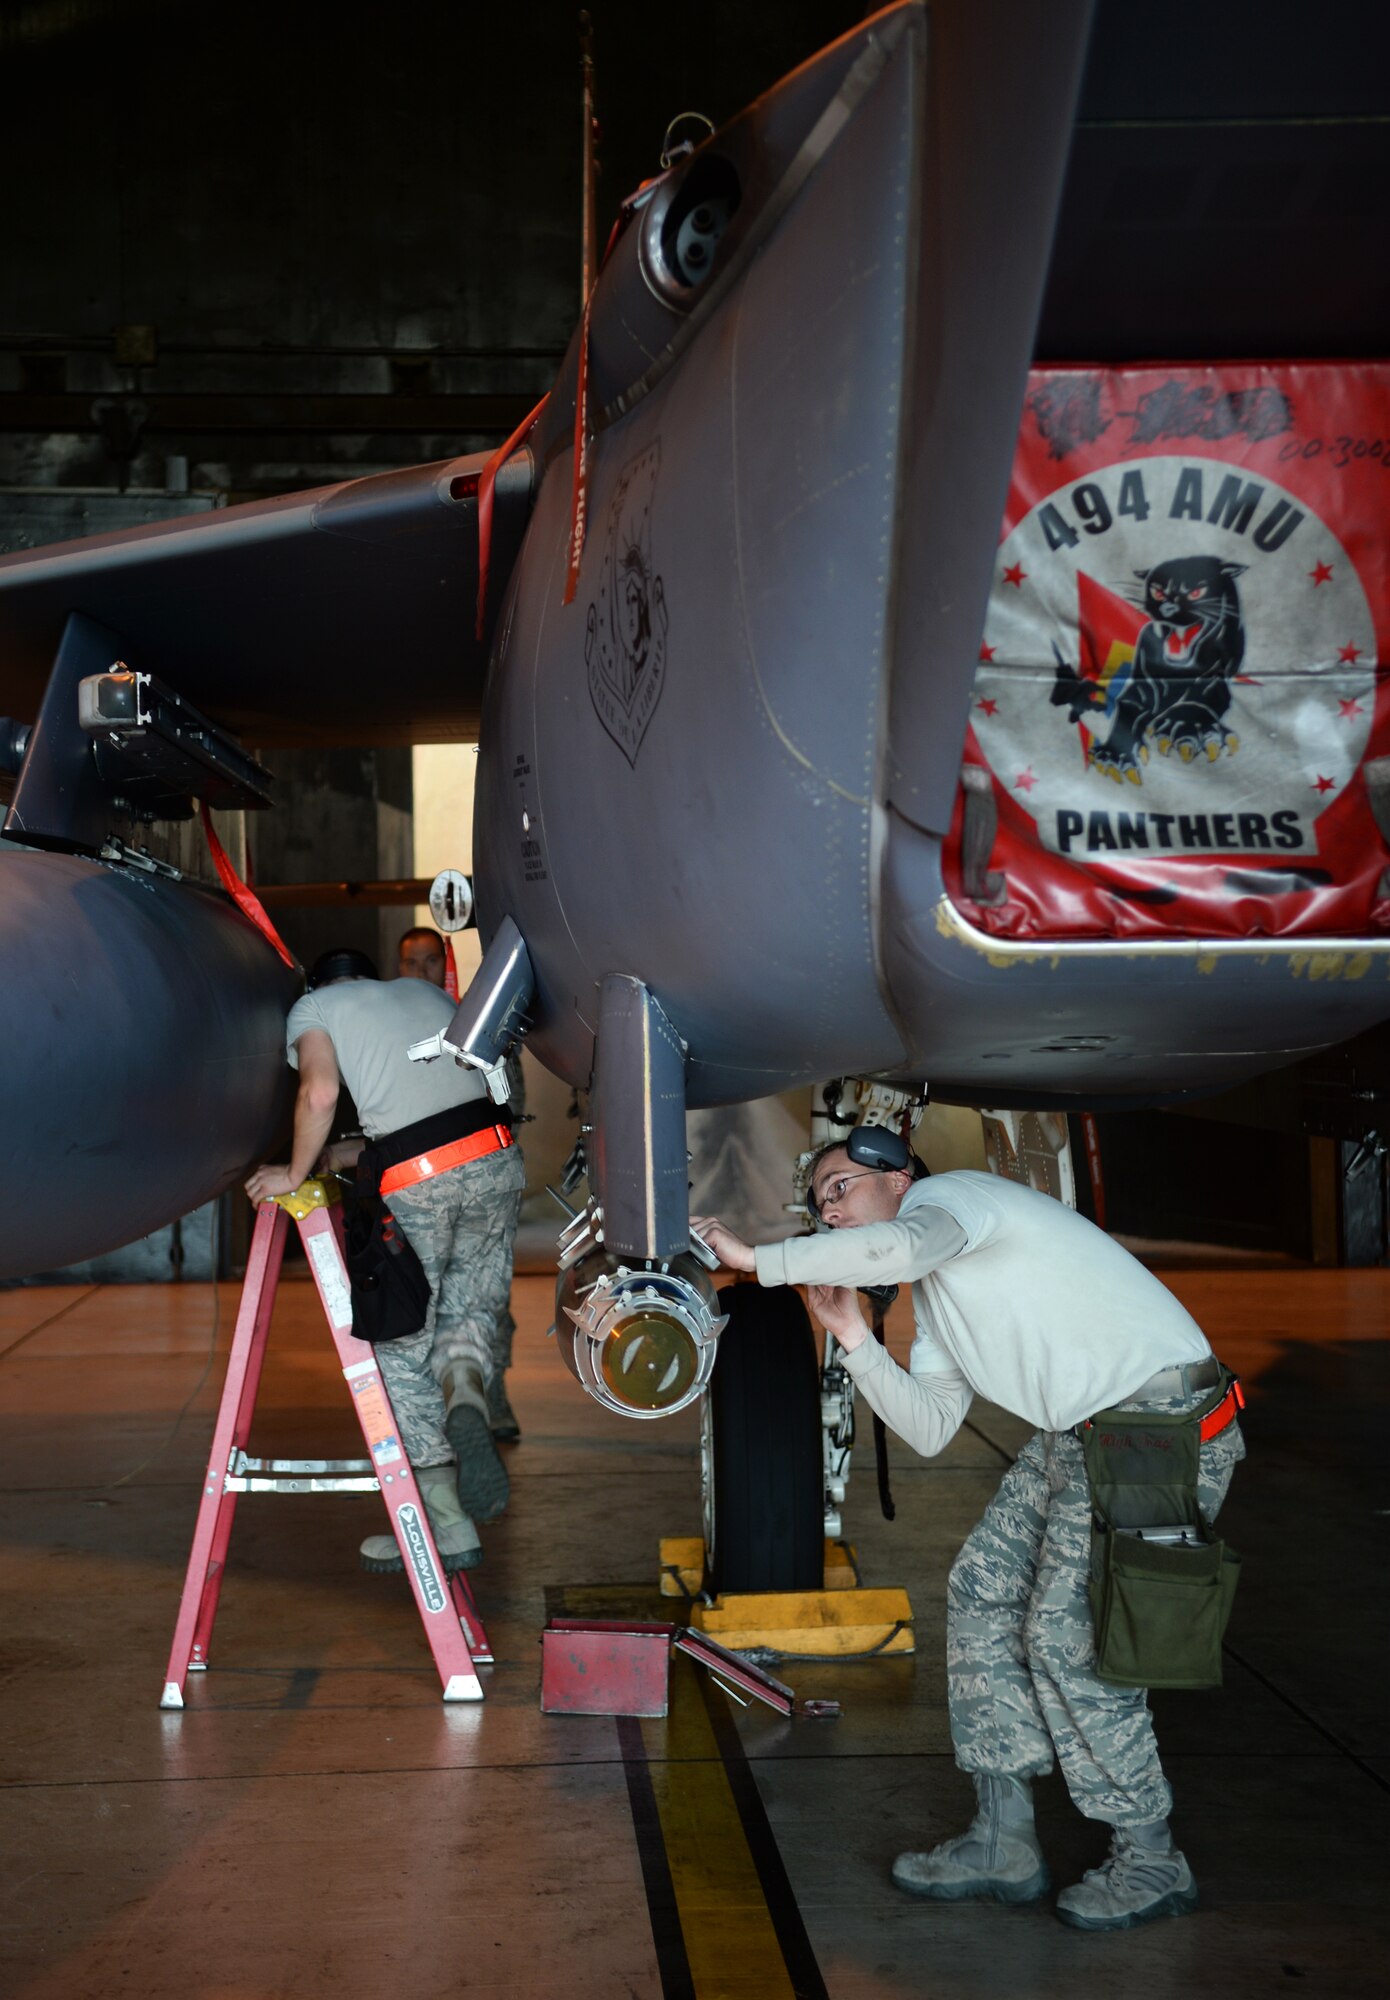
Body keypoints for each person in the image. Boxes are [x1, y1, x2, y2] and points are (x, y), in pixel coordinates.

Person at [692, 1141, 1245, 1933]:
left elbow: (902, 1244)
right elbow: (929, 1426)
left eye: (842, 1188)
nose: (833, 1212)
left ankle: (1151, 1855)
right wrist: (854, 1336)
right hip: (1079, 1439)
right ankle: (1002, 1839)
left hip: (1163, 1430)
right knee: (981, 1587)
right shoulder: (941, 1293)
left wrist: (758, 1256)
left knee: (1069, 1640)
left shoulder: (958, 1203)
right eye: (821, 1205)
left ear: (898, 1177)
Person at [246, 945, 525, 1575]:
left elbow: (318, 1095)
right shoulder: (424, 995)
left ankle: (443, 1523)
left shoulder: (312, 1008)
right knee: (467, 1313)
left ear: (319, 986)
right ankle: (469, 1404)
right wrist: (345, 1156)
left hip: (420, 1181)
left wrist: (293, 1171)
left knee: (401, 1344)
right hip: (496, 1155)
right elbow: (429, 1108)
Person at [396, 923, 523, 1442]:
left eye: (430, 961)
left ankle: (488, 1395)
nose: (421, 972)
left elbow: (510, 1102)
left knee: (485, 1296)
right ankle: (440, 1409)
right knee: (422, 1301)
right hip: (417, 1184)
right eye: (411, 963)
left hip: (478, 1177)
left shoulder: (477, 1022)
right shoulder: (396, 1025)